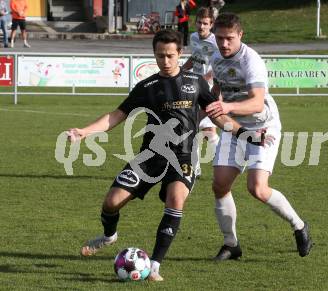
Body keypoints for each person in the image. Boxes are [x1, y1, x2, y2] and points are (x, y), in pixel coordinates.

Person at [66, 29, 268, 282]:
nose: (165, 60)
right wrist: (84, 132)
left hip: (183, 157)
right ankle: (109, 236)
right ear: (155, 55)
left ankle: (155, 265)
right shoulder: (146, 87)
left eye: (170, 55)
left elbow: (218, 116)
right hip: (150, 156)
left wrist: (247, 134)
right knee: (111, 202)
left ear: (180, 54)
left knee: (175, 199)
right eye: (160, 55)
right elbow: (116, 115)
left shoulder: (196, 83)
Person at [205, 13, 313, 260]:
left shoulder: (251, 61)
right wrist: (214, 100)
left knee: (257, 188)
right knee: (220, 184)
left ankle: (299, 226)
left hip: (263, 126)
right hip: (234, 127)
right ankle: (231, 244)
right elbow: (218, 89)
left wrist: (227, 108)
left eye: (229, 38)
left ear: (240, 35)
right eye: (219, 38)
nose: (223, 44)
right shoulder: (216, 57)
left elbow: (255, 103)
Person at [182, 7, 219, 177]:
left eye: (205, 23)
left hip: (209, 88)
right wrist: (182, 70)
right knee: (193, 129)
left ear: (211, 25)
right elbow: (195, 56)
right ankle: (195, 169)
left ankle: (226, 159)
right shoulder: (193, 37)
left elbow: (219, 66)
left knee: (208, 131)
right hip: (193, 87)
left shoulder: (216, 41)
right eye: (199, 22)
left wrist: (206, 78)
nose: (201, 26)